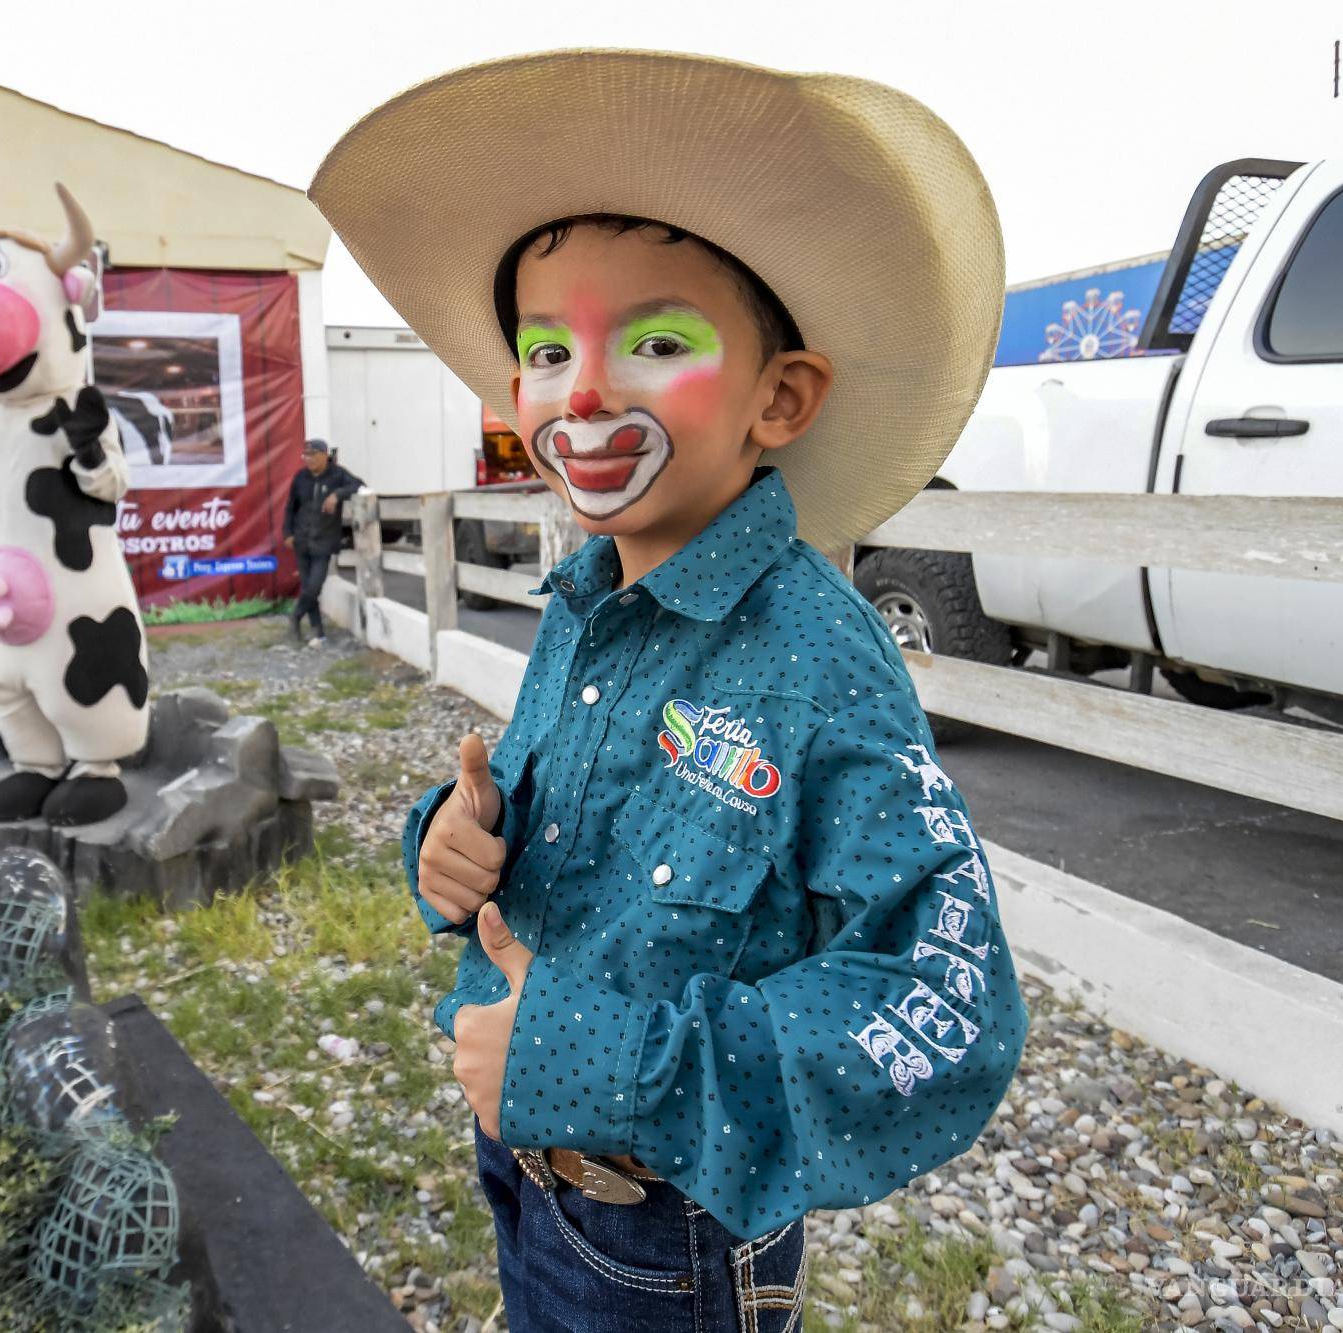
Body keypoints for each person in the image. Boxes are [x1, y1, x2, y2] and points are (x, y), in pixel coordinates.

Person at [312, 51, 1028, 1329]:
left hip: (667, 1236)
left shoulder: (819, 659)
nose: (579, 390)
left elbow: (944, 1005)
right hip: (525, 1169)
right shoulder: (583, 605)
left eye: (652, 340)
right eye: (544, 349)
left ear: (779, 397)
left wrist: (606, 1061)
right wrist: (454, 844)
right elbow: (559, 836)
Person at [282, 438, 363, 645]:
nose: (307, 460)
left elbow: (359, 486)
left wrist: (337, 494)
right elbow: (291, 507)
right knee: (308, 586)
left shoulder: (337, 474)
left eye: (312, 456)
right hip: (301, 540)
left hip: (324, 541)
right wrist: (287, 534)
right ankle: (318, 632)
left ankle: (295, 617)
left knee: (314, 586)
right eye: (305, 455)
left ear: (324, 455)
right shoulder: (300, 478)